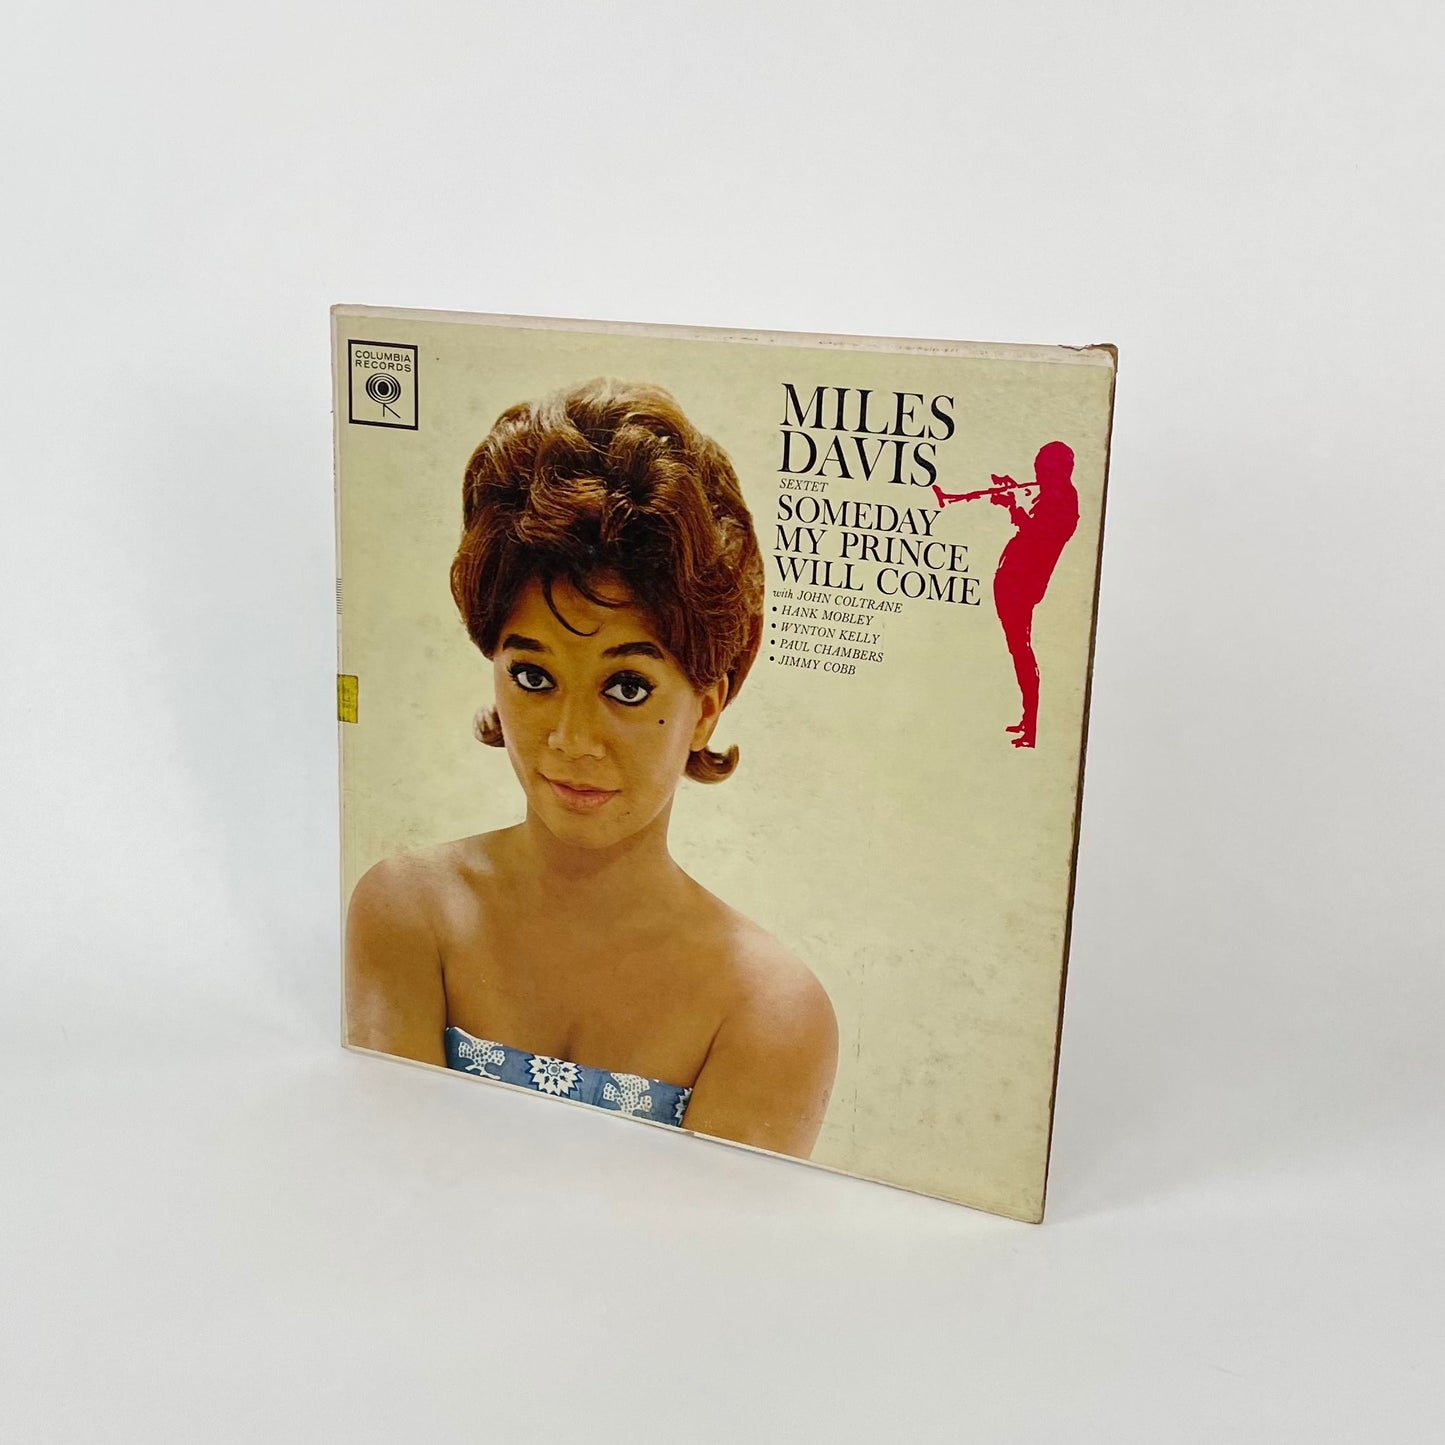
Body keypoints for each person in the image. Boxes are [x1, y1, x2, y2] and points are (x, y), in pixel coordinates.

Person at [345, 379, 838, 1159]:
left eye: (627, 686)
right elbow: (382, 1185)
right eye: (532, 675)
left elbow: (713, 1244)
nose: (571, 740)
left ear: (706, 707)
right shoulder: (407, 914)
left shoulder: (767, 1010)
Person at [986, 441, 1080, 749]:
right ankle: (1029, 721)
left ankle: (1032, 728)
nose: (1037, 473)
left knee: (1022, 652)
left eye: (1042, 468)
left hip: (1022, 585)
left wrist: (1012, 505)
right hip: (1015, 582)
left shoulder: (1062, 500)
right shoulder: (1056, 496)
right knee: (1019, 651)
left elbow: (1038, 536)